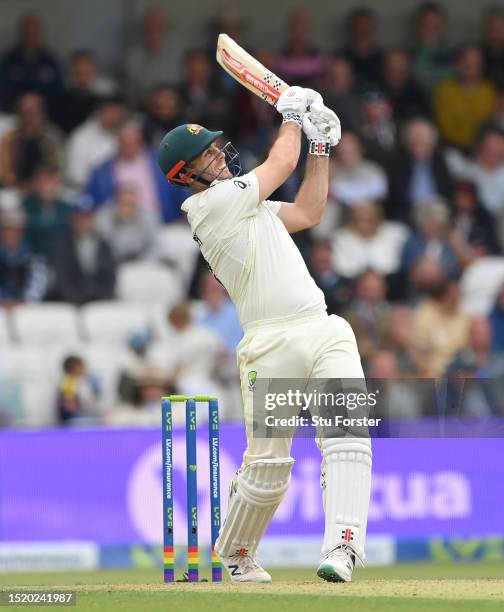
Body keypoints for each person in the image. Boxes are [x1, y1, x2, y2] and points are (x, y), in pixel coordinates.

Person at [157, 88, 371, 583]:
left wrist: (320, 146)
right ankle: (235, 552)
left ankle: (343, 547)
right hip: (269, 346)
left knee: (348, 438)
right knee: (270, 468)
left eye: (215, 146)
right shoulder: (211, 209)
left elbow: (310, 211)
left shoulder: (248, 206)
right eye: (205, 155)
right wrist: (294, 117)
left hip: (321, 327)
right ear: (184, 176)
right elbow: (279, 162)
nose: (218, 154)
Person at [435, 45, 496, 151]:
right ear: (457, 64)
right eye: (467, 63)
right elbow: (445, 127)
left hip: (484, 150)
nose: (471, 66)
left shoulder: (489, 91)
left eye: (476, 63)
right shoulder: (445, 90)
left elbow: (488, 123)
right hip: (452, 149)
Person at [0, 14, 62, 112]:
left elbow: (58, 92)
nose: (30, 34)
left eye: (34, 31)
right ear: (21, 32)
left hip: (44, 117)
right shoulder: (8, 60)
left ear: (40, 32)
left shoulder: (50, 61)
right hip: (13, 114)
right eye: (27, 31)